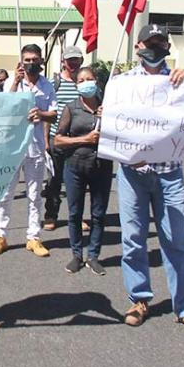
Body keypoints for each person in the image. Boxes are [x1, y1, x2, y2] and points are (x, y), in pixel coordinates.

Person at [115, 26, 184, 337]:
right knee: (132, 239)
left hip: (169, 174)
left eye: (160, 43)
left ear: (168, 46)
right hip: (132, 173)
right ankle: (138, 299)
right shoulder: (122, 84)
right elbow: (114, 129)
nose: (155, 48)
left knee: (176, 240)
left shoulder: (182, 81)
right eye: (149, 43)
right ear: (138, 45)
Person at [0, 43, 56, 257]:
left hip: (35, 147)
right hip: (12, 147)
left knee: (35, 195)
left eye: (34, 59)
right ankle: (1, 235)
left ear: (41, 61)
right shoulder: (12, 81)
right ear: (21, 61)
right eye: (27, 59)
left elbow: (53, 113)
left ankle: (33, 237)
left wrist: (41, 115)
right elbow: (4, 108)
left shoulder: (47, 86)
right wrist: (16, 81)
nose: (30, 63)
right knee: (5, 194)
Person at [53, 66, 112, 275]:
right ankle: (77, 255)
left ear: (96, 82)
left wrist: (110, 119)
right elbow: (58, 139)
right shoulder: (71, 108)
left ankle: (93, 256)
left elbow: (121, 135)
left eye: (90, 79)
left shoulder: (108, 108)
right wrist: (83, 139)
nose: (86, 83)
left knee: (98, 214)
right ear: (76, 85)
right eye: (81, 80)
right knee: (75, 213)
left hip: (101, 167)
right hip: (75, 167)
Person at [42, 46, 83, 232]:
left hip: (80, 141)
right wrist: (45, 141)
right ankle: (51, 215)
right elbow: (49, 114)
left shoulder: (85, 83)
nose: (73, 63)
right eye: (70, 60)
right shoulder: (53, 84)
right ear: (63, 62)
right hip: (56, 140)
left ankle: (77, 217)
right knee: (54, 181)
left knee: (79, 182)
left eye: (77, 59)